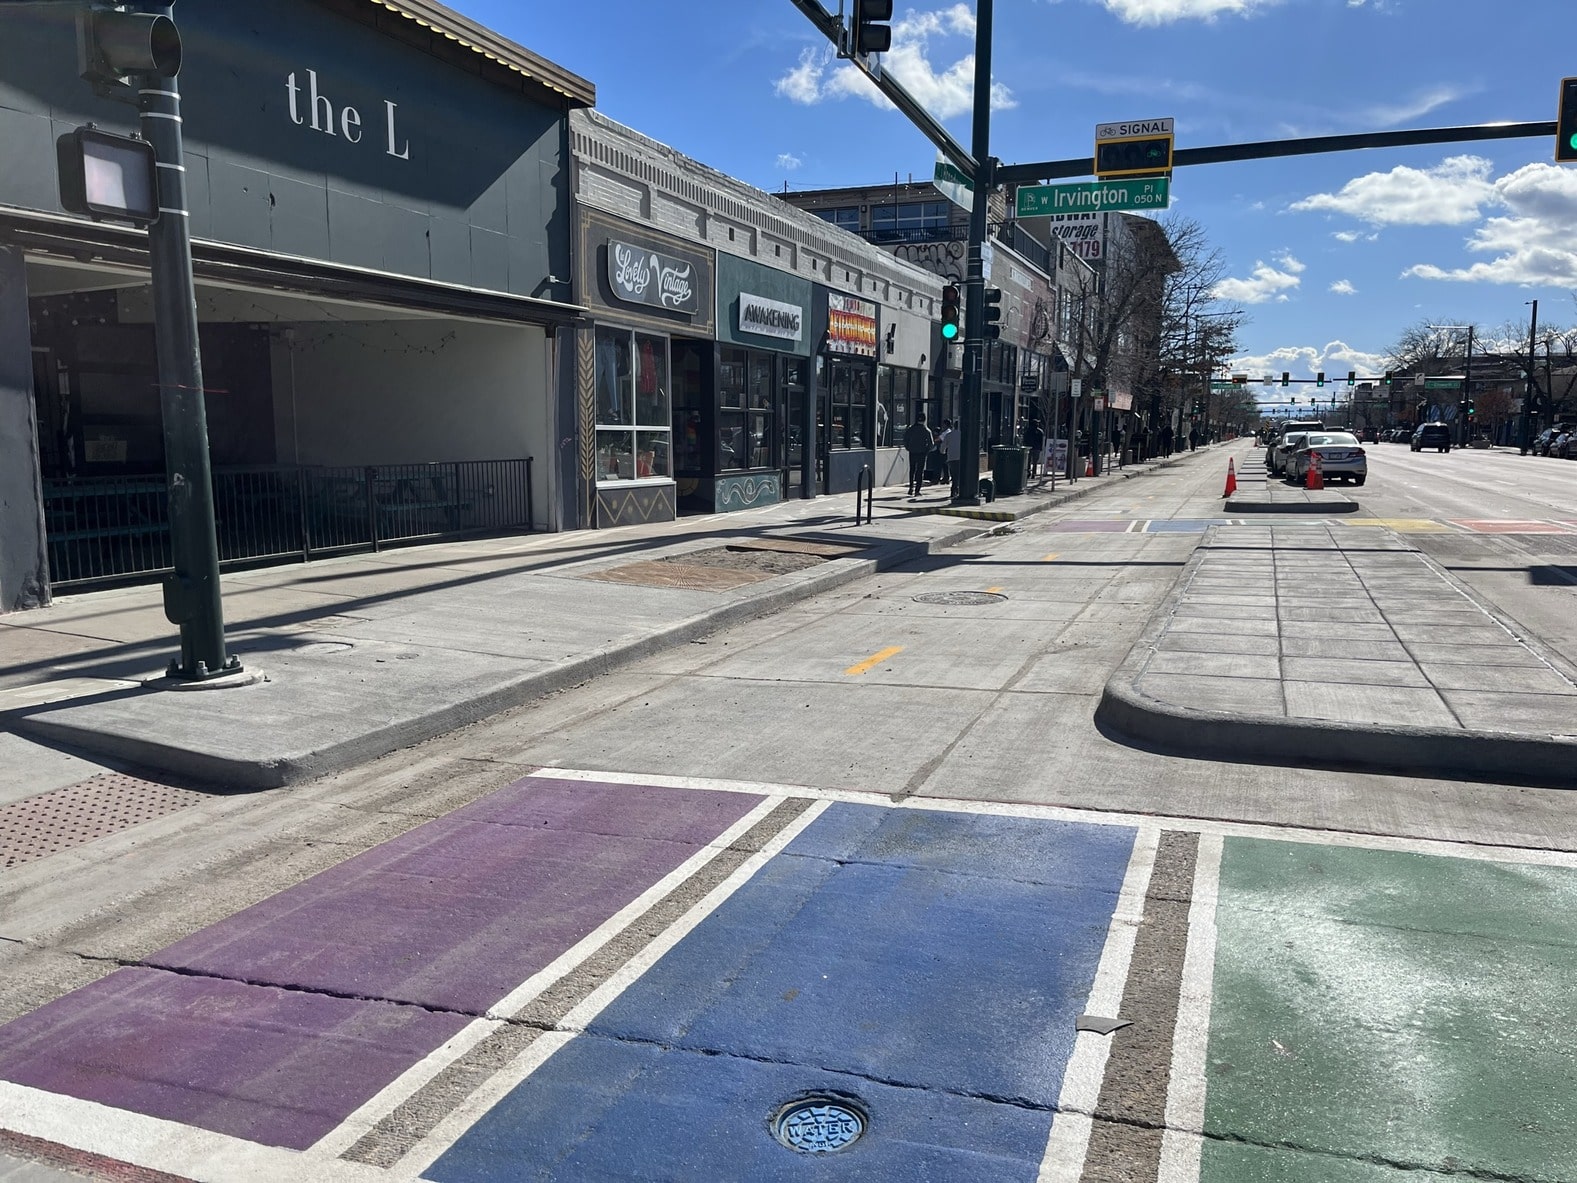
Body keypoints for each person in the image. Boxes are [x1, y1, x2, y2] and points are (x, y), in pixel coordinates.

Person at [903, 414, 934, 497]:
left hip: (912, 452)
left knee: (912, 470)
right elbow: (931, 444)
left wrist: (908, 448)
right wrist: (926, 451)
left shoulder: (910, 429)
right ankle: (917, 490)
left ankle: (911, 487)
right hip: (922, 453)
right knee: (920, 471)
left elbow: (905, 440)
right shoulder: (926, 430)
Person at [945, 417, 962, 497]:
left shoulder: (949, 435)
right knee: (959, 475)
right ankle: (956, 489)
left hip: (951, 457)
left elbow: (943, 446)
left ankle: (954, 490)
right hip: (960, 457)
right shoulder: (963, 435)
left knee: (953, 474)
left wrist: (943, 452)